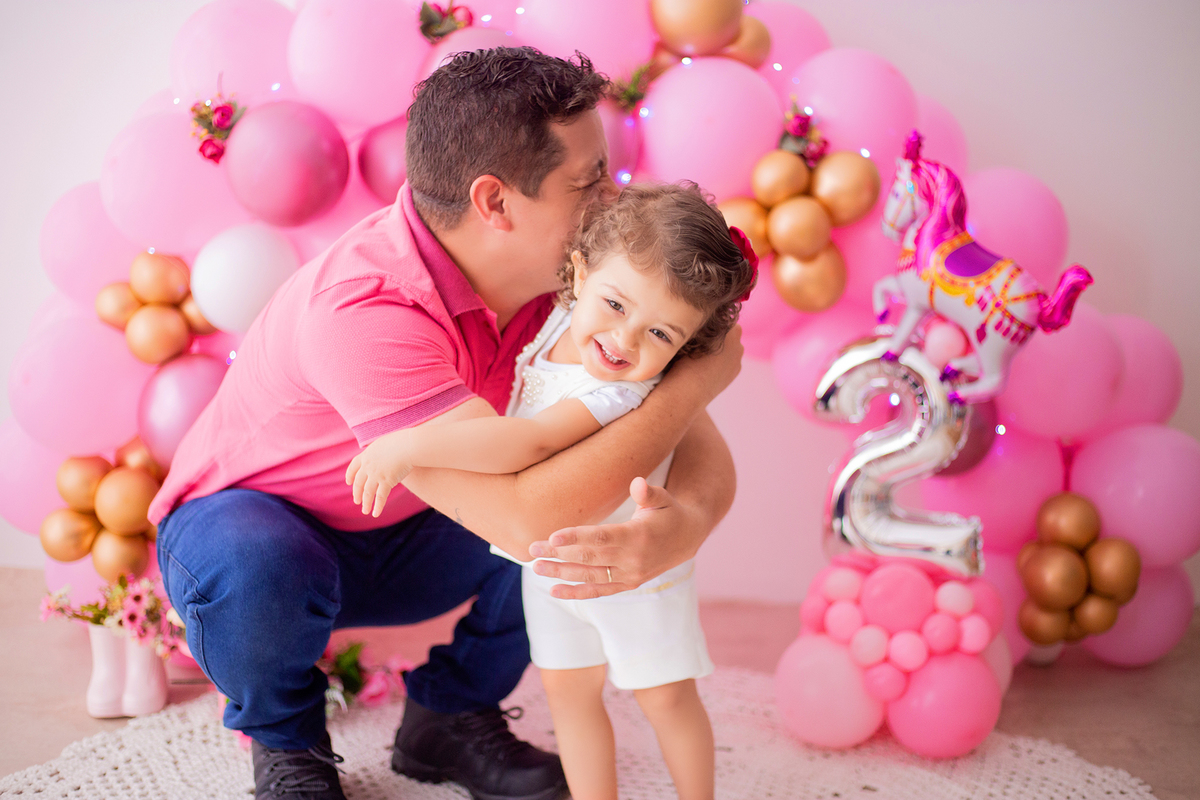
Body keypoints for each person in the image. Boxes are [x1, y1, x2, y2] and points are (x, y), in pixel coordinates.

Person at [148, 47, 742, 800]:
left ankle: (449, 715)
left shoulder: (573, 281)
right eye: (589, 180)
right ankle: (287, 744)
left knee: (580, 516)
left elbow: (684, 443)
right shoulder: (363, 308)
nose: (612, 198)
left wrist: (685, 523)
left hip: (412, 527)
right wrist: (700, 377)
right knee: (257, 560)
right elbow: (527, 517)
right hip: (265, 532)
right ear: (495, 202)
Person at [345, 182, 757, 800]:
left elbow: (528, 441)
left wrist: (413, 446)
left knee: (666, 696)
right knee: (568, 692)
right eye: (615, 305)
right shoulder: (562, 320)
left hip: (631, 570)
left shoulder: (620, 388)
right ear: (582, 273)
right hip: (553, 566)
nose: (624, 342)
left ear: (684, 347)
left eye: (661, 335)